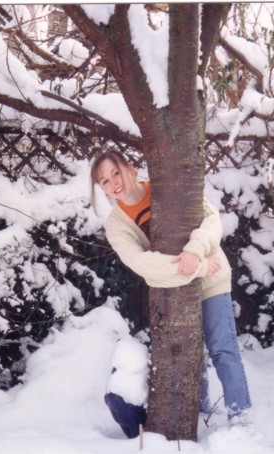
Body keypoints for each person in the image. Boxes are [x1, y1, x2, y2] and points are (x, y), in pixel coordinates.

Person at [90, 149, 252, 437]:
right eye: (104, 181)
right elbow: (142, 263)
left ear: (131, 168)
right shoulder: (116, 224)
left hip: (212, 279)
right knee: (189, 353)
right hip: (173, 287)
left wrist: (194, 251)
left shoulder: (165, 188)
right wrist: (195, 267)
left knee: (222, 348)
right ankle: (200, 411)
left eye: (116, 172)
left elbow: (212, 219)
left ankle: (241, 416)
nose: (113, 183)